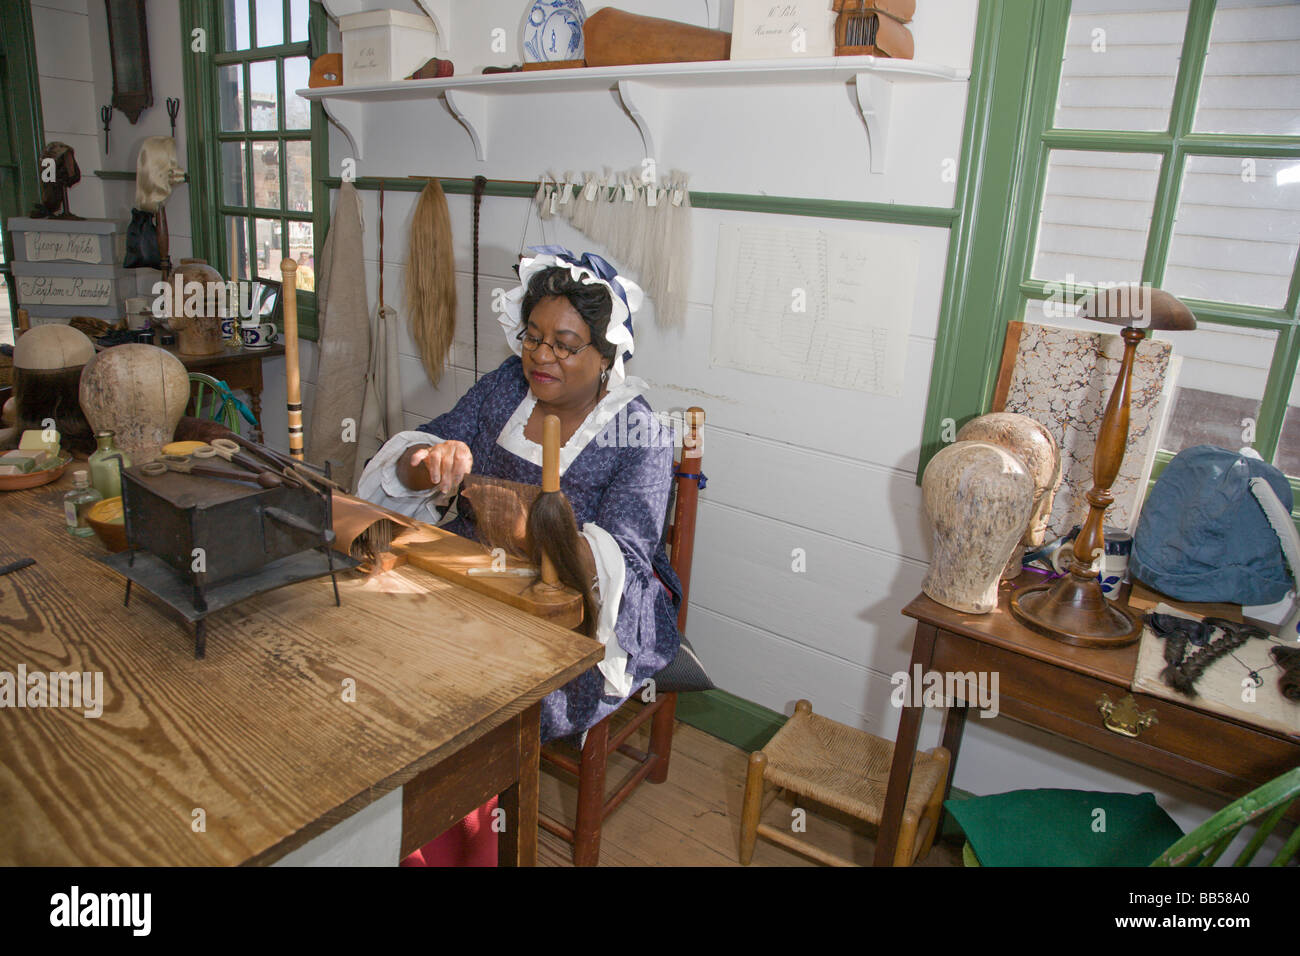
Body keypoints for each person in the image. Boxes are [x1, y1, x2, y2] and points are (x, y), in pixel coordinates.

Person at [357, 247, 682, 745]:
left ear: (605, 355)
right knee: (383, 641)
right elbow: (431, 442)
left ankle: (468, 806)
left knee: (466, 694)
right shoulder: (507, 386)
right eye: (533, 336)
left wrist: (528, 528)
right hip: (473, 570)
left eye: (565, 345)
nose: (540, 355)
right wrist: (428, 464)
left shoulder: (638, 433)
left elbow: (625, 565)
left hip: (575, 611)